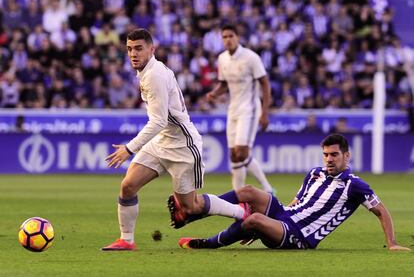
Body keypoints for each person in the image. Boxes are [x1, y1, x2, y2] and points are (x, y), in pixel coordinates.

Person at [101, 29, 250, 251]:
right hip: (161, 142)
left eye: (139, 48)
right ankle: (127, 240)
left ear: (152, 49)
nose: (133, 53)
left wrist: (129, 149)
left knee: (191, 206)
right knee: (128, 186)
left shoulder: (154, 75)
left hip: (182, 146)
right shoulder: (147, 71)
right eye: (130, 49)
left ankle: (242, 213)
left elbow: (158, 121)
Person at [174, 134, 411, 251]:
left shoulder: (355, 185)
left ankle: (207, 244)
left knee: (253, 219)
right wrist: (268, 224)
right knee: (247, 191)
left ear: (347, 156)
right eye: (326, 154)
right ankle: (195, 210)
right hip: (285, 217)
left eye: (334, 155)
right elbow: (297, 201)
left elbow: (381, 211)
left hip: (300, 236)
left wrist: (391, 243)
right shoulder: (314, 173)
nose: (328, 159)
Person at [206, 24, 274, 193]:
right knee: (234, 156)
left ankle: (266, 188)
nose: (228, 40)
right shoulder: (222, 59)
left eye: (231, 36)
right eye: (224, 37)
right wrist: (214, 93)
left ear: (238, 37)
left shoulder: (251, 58)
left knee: (241, 152)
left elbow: (265, 84)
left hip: (250, 109)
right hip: (233, 109)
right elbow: (224, 84)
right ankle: (239, 196)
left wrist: (265, 113)